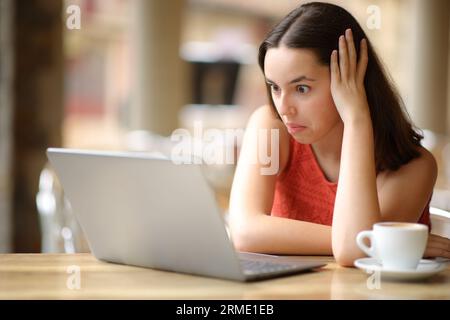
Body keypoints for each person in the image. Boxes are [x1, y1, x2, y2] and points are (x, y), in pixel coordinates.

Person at [228, 2, 450, 266]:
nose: (284, 108)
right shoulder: (271, 128)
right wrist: (379, 241)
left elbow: (352, 251)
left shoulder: (413, 166)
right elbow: (244, 233)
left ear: (352, 78)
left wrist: (356, 118)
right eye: (275, 87)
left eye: (301, 88)